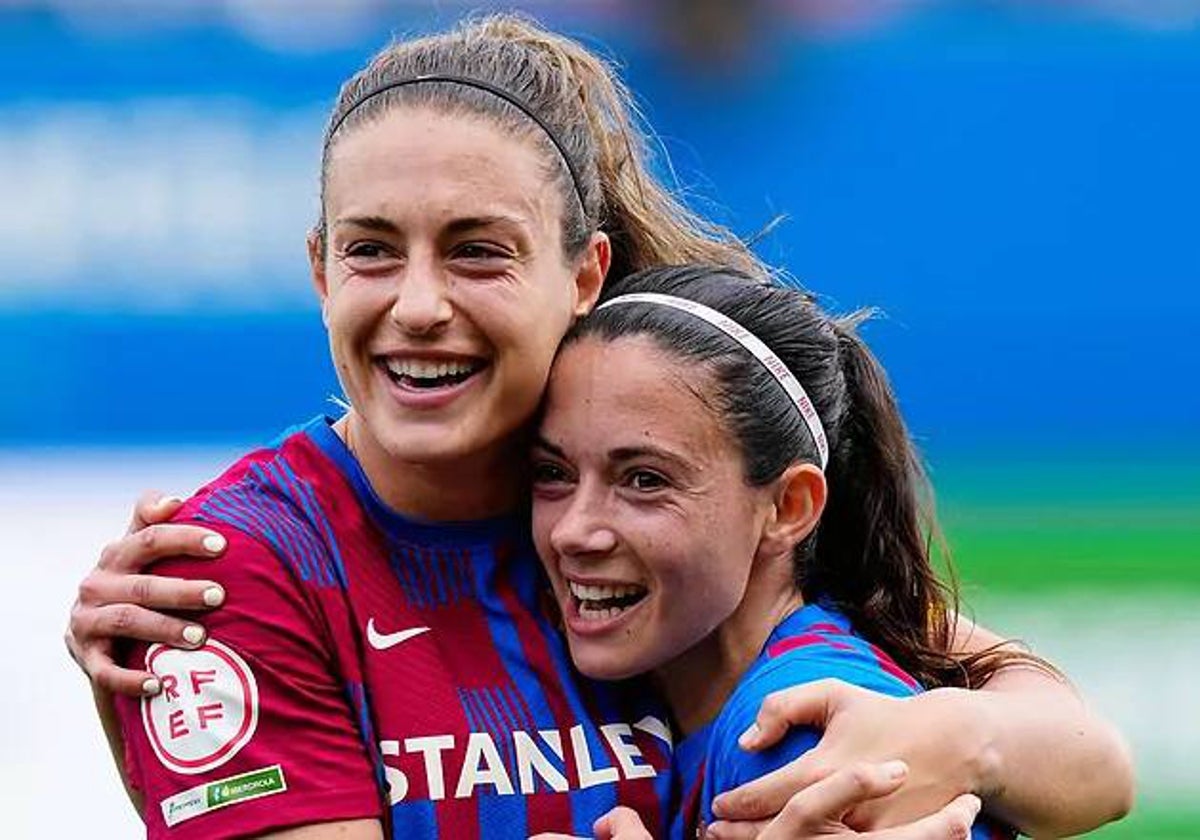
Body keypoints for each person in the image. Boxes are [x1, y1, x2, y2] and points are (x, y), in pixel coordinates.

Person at [64, 12, 1134, 840]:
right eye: (372, 250)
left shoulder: (663, 491)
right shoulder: (227, 575)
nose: (419, 303)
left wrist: (958, 736)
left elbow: (1092, 761)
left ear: (584, 273)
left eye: (479, 250)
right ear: (318, 269)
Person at [526, 263, 1108, 838]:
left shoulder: (792, 737)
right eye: (553, 472)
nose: (574, 531)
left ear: (788, 508)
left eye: (645, 480)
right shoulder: (825, 637)